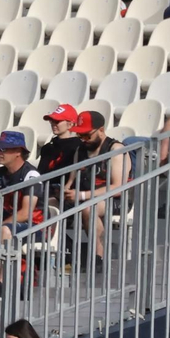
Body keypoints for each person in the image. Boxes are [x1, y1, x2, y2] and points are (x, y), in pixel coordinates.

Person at [65, 110, 128, 261]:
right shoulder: (81, 149)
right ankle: (64, 250)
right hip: (85, 195)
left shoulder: (116, 149)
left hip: (114, 199)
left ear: (101, 130)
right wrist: (65, 191)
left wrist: (81, 195)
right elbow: (71, 178)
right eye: (80, 135)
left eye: (87, 135)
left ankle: (98, 256)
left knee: (89, 208)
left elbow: (118, 187)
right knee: (49, 205)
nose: (83, 139)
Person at [0, 131, 41, 239]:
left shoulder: (31, 174)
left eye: (3, 149)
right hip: (6, 223)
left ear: (18, 151)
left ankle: (0, 256)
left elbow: (25, 213)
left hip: (34, 226)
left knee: (4, 230)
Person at [37, 103, 82, 184]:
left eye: (57, 121)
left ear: (70, 124)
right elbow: (40, 175)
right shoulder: (47, 148)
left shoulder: (78, 147)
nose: (53, 124)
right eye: (52, 121)